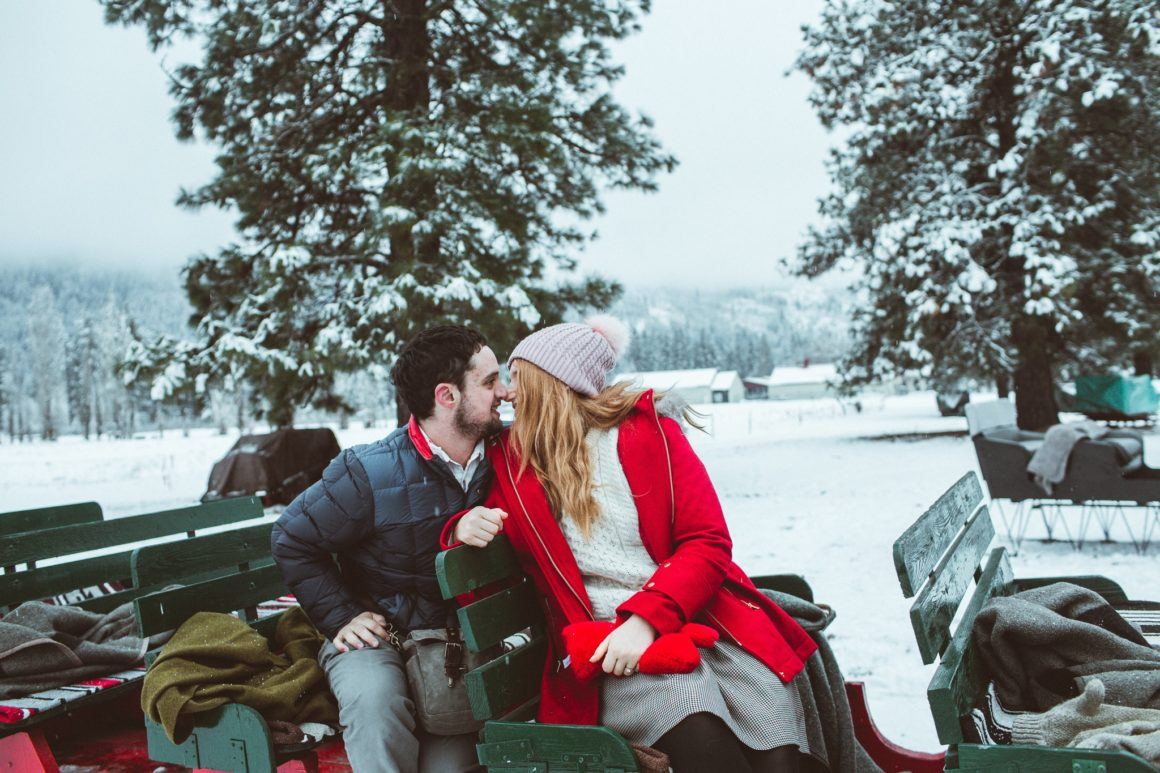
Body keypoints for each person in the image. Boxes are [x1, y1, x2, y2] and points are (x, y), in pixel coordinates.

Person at [444, 317, 820, 773]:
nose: (509, 392)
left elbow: (707, 542)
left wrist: (646, 619)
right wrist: (463, 528)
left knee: (778, 746)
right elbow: (477, 565)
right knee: (702, 737)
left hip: (692, 618)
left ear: (554, 382)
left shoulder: (648, 435)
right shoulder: (514, 466)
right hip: (610, 654)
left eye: (519, 377)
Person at [271, 325, 508, 773]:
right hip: (380, 634)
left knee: (448, 766)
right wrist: (342, 616)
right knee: (375, 702)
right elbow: (291, 538)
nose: (505, 392)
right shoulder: (369, 471)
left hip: (454, 644)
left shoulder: (503, 457)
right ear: (447, 396)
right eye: (490, 381)